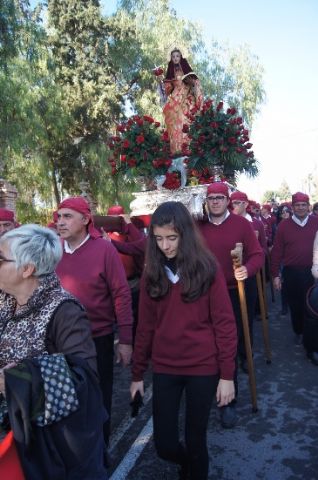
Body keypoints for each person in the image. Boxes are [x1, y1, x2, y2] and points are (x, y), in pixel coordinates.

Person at [131, 201, 236, 480]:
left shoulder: (207, 268)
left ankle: (194, 469)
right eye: (159, 238)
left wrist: (227, 375)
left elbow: (225, 323)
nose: (165, 246)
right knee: (164, 444)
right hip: (166, 367)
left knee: (196, 440)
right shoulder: (152, 273)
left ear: (185, 235)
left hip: (203, 367)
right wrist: (137, 372)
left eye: (172, 238)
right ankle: (186, 463)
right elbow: (145, 326)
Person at [0, 224, 107, 479]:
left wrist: (15, 380)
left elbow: (85, 378)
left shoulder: (65, 311)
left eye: (1, 259)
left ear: (27, 269)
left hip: (46, 445)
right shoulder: (5, 301)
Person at [55, 196, 133, 448]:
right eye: (59, 216)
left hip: (96, 338)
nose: (60, 221)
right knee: (65, 400)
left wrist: (126, 339)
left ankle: (100, 452)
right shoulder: (53, 250)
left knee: (98, 398)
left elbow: (121, 294)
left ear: (85, 220)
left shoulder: (104, 249)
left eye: (68, 216)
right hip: (59, 341)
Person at [197, 182, 264, 428]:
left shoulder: (241, 224)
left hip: (233, 293)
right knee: (205, 346)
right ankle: (206, 394)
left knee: (229, 347)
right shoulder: (198, 225)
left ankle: (228, 402)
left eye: (219, 198)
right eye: (211, 198)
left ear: (227, 201)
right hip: (202, 293)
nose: (215, 202)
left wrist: (247, 269)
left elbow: (257, 254)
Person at [271, 192, 318, 354]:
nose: (300, 208)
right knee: (296, 305)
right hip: (291, 272)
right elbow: (277, 251)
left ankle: (310, 337)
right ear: (292, 207)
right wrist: (275, 275)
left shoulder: (316, 222)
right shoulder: (284, 225)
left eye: (303, 205)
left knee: (312, 306)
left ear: (308, 206)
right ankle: (298, 331)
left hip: (312, 272)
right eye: (297, 205)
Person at [161, 48, 203, 154]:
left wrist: (191, 82)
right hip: (175, 99)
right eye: (173, 56)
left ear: (181, 57)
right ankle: (176, 150)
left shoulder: (187, 70)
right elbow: (167, 90)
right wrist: (162, 82)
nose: (175, 58)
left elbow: (196, 83)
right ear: (171, 58)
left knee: (185, 120)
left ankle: (187, 148)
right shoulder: (171, 73)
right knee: (172, 120)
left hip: (186, 99)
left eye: (177, 56)